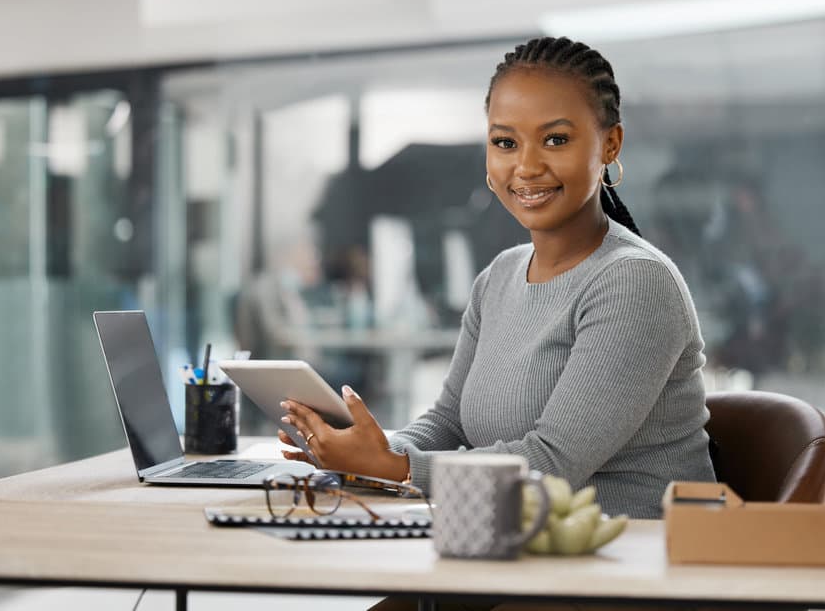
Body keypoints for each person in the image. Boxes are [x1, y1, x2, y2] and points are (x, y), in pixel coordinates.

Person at [279, 36, 715, 519]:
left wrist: (397, 467)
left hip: (628, 563)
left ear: (610, 144)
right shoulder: (499, 276)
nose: (526, 167)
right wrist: (361, 452)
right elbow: (449, 424)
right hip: (512, 544)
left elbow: (553, 463)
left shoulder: (635, 284)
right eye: (505, 142)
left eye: (556, 139)